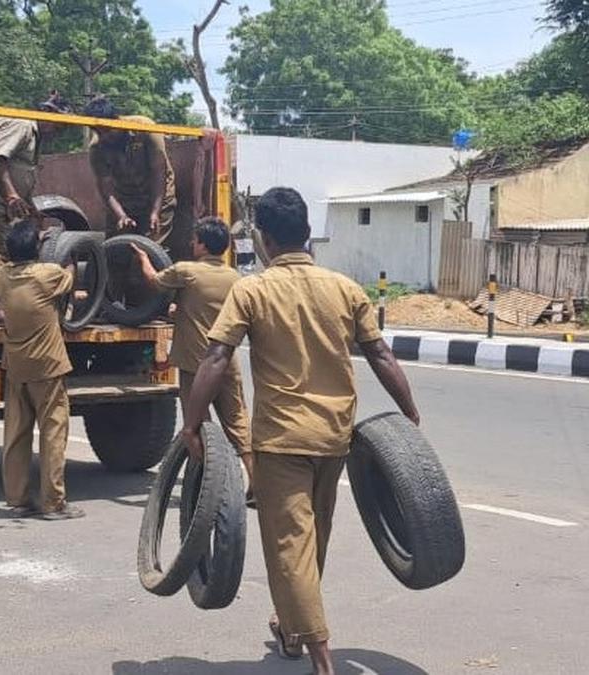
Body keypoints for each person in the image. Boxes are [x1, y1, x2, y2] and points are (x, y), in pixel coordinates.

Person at [180, 188, 419, 675]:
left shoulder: (252, 289)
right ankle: (290, 628)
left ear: (264, 239)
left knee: (290, 546)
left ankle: (321, 656)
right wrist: (409, 413)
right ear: (307, 233)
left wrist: (191, 422)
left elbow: (216, 357)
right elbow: (381, 355)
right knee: (314, 538)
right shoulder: (344, 288)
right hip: (334, 437)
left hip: (282, 440)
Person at [131, 217, 254, 503]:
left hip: (195, 364)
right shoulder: (234, 278)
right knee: (237, 420)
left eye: (195, 239)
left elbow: (154, 281)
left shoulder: (187, 271)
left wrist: (143, 257)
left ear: (202, 244)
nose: (191, 244)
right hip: (227, 361)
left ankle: (205, 486)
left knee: (197, 424)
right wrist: (180, 311)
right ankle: (255, 480)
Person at [0, 219, 83, 521]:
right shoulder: (48, 276)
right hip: (48, 366)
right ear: (37, 249)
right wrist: (64, 252)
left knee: (16, 434)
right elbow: (71, 275)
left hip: (16, 366)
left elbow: (7, 265)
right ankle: (53, 503)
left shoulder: (1, 277)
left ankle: (17, 499)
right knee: (53, 433)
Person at [0, 91, 73, 275]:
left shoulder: (34, 135)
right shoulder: (22, 124)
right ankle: (2, 303)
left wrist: (32, 208)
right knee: (2, 256)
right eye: (57, 127)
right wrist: (11, 194)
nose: (56, 133)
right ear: (46, 112)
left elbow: (21, 173)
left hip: (3, 202)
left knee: (15, 251)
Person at [83, 95, 177, 243]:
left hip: (156, 196)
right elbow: (105, 187)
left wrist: (155, 212)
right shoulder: (97, 148)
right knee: (114, 249)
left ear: (117, 119)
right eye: (99, 132)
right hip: (124, 200)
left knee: (151, 249)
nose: (105, 137)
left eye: (107, 130)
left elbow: (159, 172)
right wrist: (121, 216)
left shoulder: (145, 128)